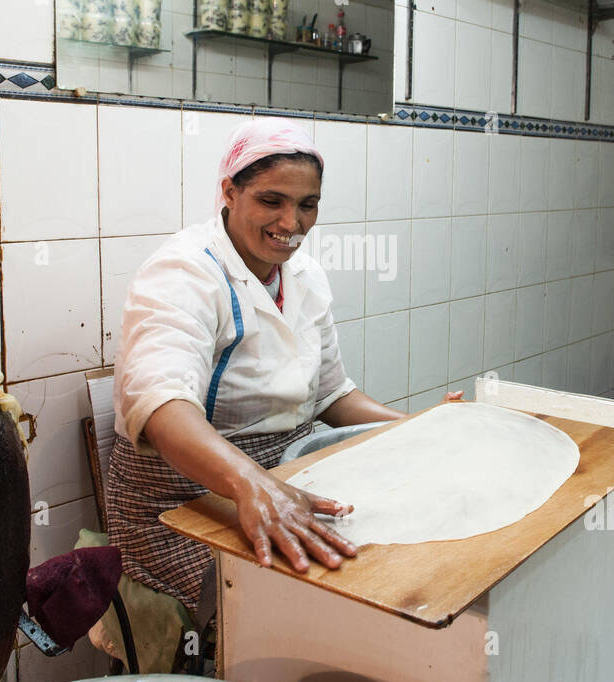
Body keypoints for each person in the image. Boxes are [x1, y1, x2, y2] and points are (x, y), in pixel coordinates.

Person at [106, 117, 461, 645]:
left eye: (307, 205)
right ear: (229, 191)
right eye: (272, 200)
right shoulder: (184, 274)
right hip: (183, 498)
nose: (291, 222)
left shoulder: (305, 278)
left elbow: (332, 395)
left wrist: (416, 429)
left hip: (293, 471)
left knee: (408, 549)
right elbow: (163, 410)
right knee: (311, 606)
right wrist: (254, 487)